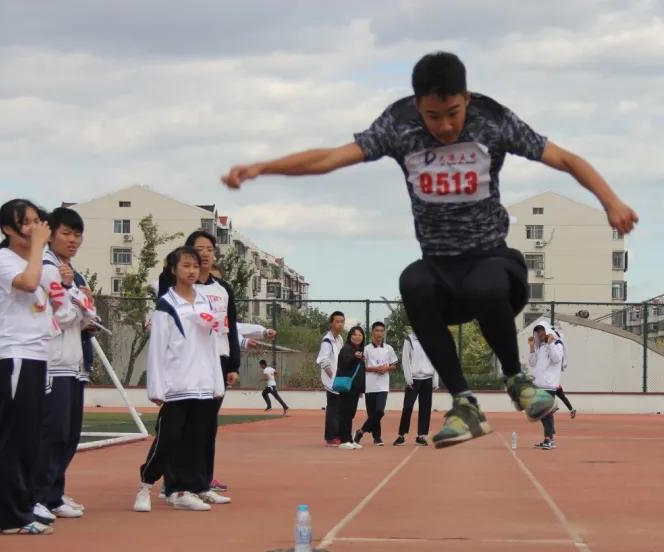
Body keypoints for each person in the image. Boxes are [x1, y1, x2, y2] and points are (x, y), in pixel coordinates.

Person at [223, 51, 637, 448]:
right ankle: (464, 402)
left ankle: (516, 380)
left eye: (454, 113)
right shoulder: (399, 124)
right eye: (433, 116)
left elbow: (564, 158)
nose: (444, 127)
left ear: (467, 99)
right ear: (418, 105)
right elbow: (331, 157)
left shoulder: (492, 119)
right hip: (440, 270)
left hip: (494, 261)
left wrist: (610, 201)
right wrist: (264, 167)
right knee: (412, 281)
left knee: (486, 282)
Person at [0, 200, 57, 535]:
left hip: (35, 355)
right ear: (8, 230)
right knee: (14, 437)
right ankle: (10, 515)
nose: (33, 227)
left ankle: (24, 506)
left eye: (36, 221)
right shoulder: (2, 259)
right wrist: (40, 245)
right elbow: (27, 284)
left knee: (30, 437)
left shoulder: (35, 259)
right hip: (11, 355)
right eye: (25, 223)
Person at [135, 247, 226, 512]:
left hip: (202, 385)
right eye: (186, 266)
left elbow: (212, 345)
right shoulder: (166, 305)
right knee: (168, 438)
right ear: (173, 270)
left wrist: (216, 383)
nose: (192, 271)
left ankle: (182, 491)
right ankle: (145, 486)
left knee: (195, 441)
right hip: (176, 386)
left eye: (195, 266)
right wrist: (157, 387)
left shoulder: (205, 303)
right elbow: (157, 348)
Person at [159, 231, 238, 494]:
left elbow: (231, 327)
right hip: (184, 363)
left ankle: (202, 480)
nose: (204, 254)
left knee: (206, 426)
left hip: (216, 360)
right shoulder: (174, 286)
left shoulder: (222, 289)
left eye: (209, 249)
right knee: (177, 426)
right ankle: (171, 480)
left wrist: (234, 364)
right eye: (198, 249)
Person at [32, 207, 92, 522]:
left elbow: (90, 313)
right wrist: (74, 296)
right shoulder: (47, 268)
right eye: (66, 233)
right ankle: (38, 495)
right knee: (53, 432)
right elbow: (66, 314)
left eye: (77, 235)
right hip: (52, 361)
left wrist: (80, 303)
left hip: (73, 360)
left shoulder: (69, 270)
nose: (73, 240)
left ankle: (53, 494)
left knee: (68, 433)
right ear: (51, 233)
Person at [355, 321, 397, 446]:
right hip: (370, 385)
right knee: (372, 413)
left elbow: (394, 365)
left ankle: (361, 431)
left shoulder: (389, 348)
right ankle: (377, 437)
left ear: (384, 333)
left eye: (381, 331)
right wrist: (375, 369)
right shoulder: (366, 349)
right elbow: (362, 367)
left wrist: (386, 368)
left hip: (383, 385)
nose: (379, 333)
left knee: (379, 411)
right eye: (377, 331)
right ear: (372, 332)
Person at [394, 330, 438, 446]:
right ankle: (401, 436)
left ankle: (421, 436)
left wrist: (435, 380)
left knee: (425, 408)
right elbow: (405, 359)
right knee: (407, 407)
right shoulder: (409, 339)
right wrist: (408, 378)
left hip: (428, 378)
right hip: (413, 380)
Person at [528, 321, 564, 450]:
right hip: (539, 384)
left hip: (549, 384)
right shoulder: (540, 347)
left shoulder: (557, 344)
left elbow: (556, 359)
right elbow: (532, 363)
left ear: (547, 331)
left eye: (541, 330)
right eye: (537, 331)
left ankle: (549, 439)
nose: (539, 333)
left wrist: (550, 344)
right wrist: (532, 347)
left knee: (545, 412)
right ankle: (549, 438)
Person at [334, 325, 367, 450]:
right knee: (346, 413)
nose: (357, 337)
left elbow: (362, 371)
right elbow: (345, 364)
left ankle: (349, 439)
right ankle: (344, 440)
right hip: (347, 386)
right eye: (355, 334)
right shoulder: (347, 348)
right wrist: (355, 357)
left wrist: (361, 389)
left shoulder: (359, 350)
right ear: (350, 336)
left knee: (351, 413)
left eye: (360, 334)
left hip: (355, 388)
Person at [316, 311, 345, 446]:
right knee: (333, 408)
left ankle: (338, 434)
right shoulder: (327, 341)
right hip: (331, 380)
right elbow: (322, 360)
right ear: (331, 323)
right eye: (337, 321)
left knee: (339, 408)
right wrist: (332, 376)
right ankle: (331, 437)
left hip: (339, 379)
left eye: (342, 321)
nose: (340, 324)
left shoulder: (339, 339)